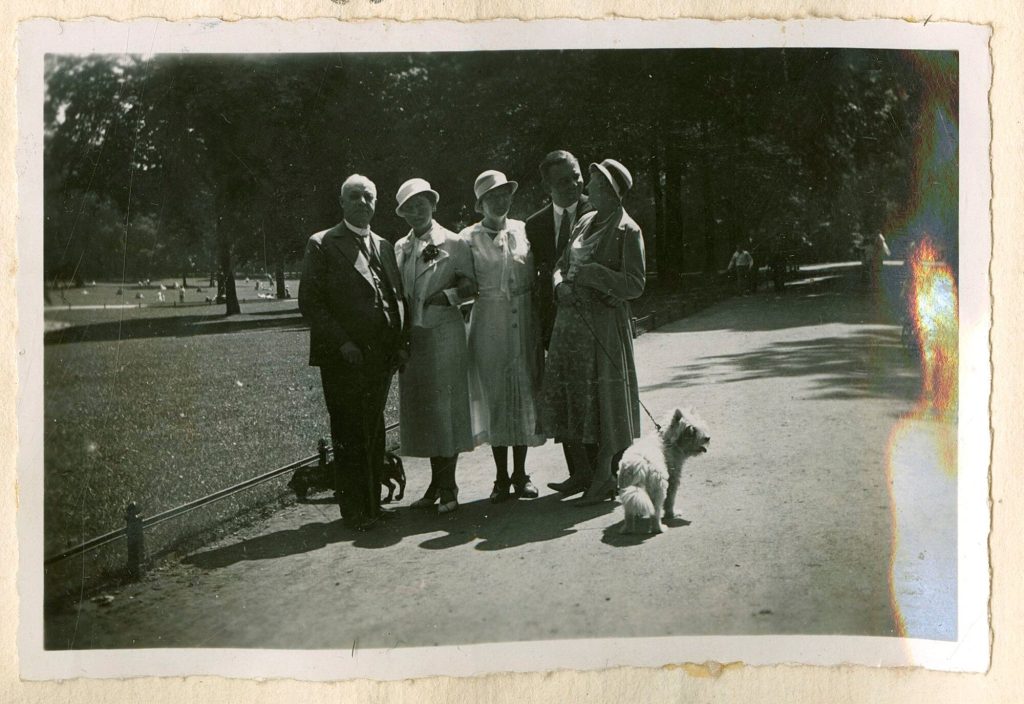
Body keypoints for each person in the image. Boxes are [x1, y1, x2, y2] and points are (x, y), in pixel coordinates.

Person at [298, 174, 408, 532]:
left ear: (377, 203)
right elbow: (311, 303)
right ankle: (355, 510)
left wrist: (400, 344)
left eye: (369, 197)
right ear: (342, 202)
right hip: (344, 356)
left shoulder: (385, 245)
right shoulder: (323, 243)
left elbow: (395, 298)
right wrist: (343, 343)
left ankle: (373, 504)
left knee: (374, 429)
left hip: (380, 357)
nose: (363, 202)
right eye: (355, 196)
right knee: (348, 431)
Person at [537, 158, 646, 505]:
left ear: (614, 193)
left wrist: (595, 273)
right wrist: (558, 285)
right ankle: (583, 472)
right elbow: (561, 265)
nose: (588, 190)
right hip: (570, 327)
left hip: (603, 329)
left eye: (597, 185)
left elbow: (636, 284)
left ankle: (604, 477)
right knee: (577, 400)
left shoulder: (628, 230)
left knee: (605, 403)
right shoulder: (585, 220)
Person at [393, 178, 480, 515]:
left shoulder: (454, 243)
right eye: (408, 207)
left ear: (433, 203)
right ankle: (433, 484)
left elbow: (472, 286)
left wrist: (443, 297)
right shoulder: (400, 247)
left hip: (444, 334)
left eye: (421, 204)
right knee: (427, 411)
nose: (416, 211)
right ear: (402, 213)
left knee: (446, 408)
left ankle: (449, 485)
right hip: (414, 339)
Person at [461, 170, 545, 503]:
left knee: (523, 389)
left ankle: (521, 474)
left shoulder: (524, 230)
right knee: (496, 392)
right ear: (480, 204)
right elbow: (460, 281)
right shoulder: (467, 238)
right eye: (492, 196)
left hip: (524, 318)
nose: (500, 201)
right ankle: (499, 477)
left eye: (504, 194)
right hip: (489, 321)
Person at [524, 149, 596, 494]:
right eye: (562, 181)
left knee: (595, 393)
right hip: (555, 323)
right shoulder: (534, 225)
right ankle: (578, 472)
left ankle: (604, 471)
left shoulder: (599, 210)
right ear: (546, 186)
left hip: (594, 321)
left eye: (576, 176)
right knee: (565, 394)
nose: (573, 185)